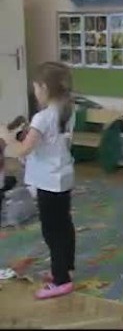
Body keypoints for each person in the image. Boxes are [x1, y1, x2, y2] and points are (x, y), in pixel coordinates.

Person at [0, 62, 76, 299]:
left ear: (44, 87)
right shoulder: (67, 110)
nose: (35, 92)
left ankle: (61, 280)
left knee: (52, 230)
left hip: (48, 181)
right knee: (63, 225)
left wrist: (5, 136)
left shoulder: (43, 117)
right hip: (62, 176)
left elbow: (21, 150)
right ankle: (65, 268)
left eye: (35, 88)